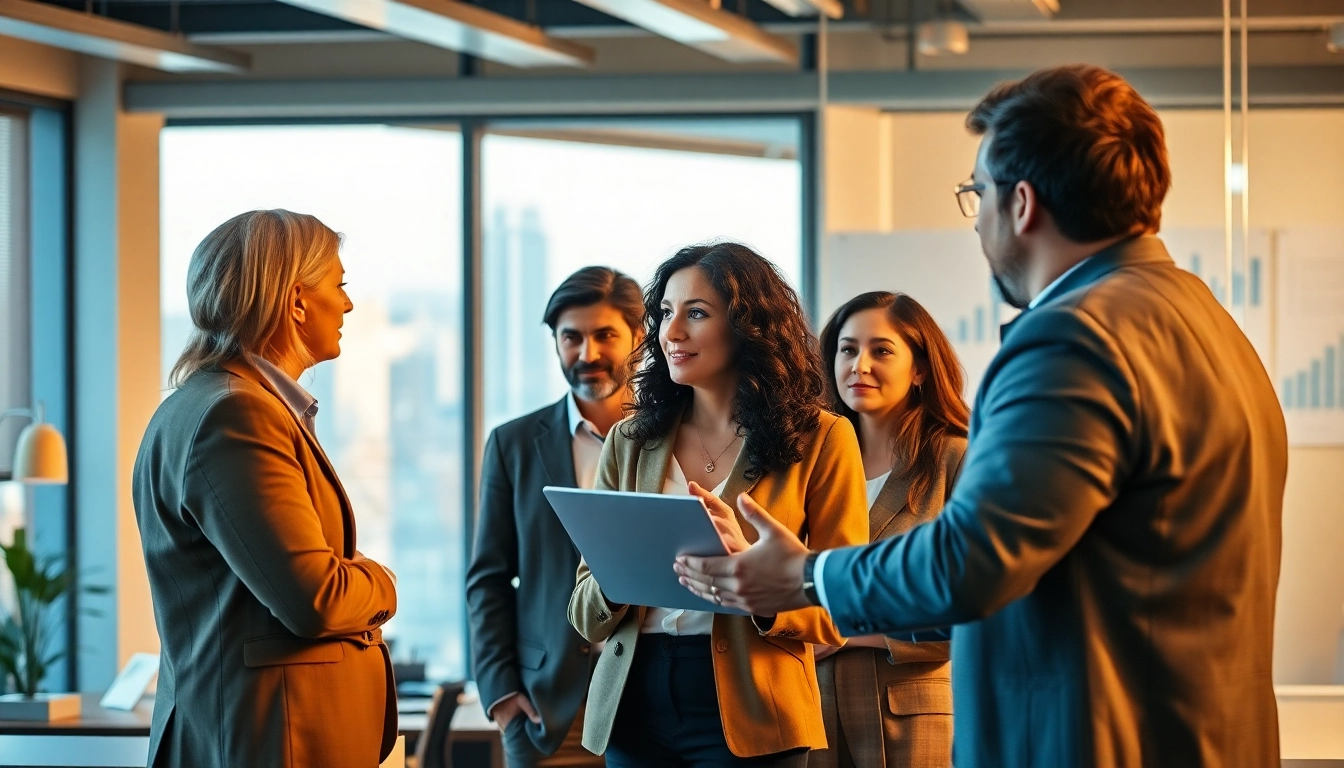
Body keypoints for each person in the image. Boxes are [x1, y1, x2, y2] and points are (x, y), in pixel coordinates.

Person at [675, 64, 1287, 767]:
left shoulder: (1074, 337)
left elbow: (975, 559)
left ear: (1021, 203)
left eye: (978, 194)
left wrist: (809, 576)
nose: (980, 220)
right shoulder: (1207, 322)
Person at [567, 242, 869, 767]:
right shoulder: (629, 440)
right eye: (665, 313)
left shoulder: (823, 438)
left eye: (697, 314)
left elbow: (842, 609)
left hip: (754, 707)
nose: (672, 332)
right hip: (634, 705)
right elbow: (583, 613)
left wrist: (761, 585)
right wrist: (621, 574)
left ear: (748, 327)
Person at [133, 210, 399, 768]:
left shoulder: (210, 403)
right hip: (274, 738)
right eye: (339, 286)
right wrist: (382, 582)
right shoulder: (237, 414)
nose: (348, 304)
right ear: (297, 301)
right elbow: (316, 599)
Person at [466, 266, 645, 768]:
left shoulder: (675, 439)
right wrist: (501, 694)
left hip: (650, 701)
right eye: (571, 337)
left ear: (638, 337)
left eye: (605, 335)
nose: (587, 354)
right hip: (547, 712)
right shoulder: (513, 444)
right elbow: (489, 577)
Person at [810, 291, 968, 768]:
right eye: (847, 349)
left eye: (881, 350)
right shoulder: (810, 461)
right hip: (813, 715)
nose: (860, 365)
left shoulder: (956, 460)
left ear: (919, 368)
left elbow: (971, 607)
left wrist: (843, 633)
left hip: (912, 719)